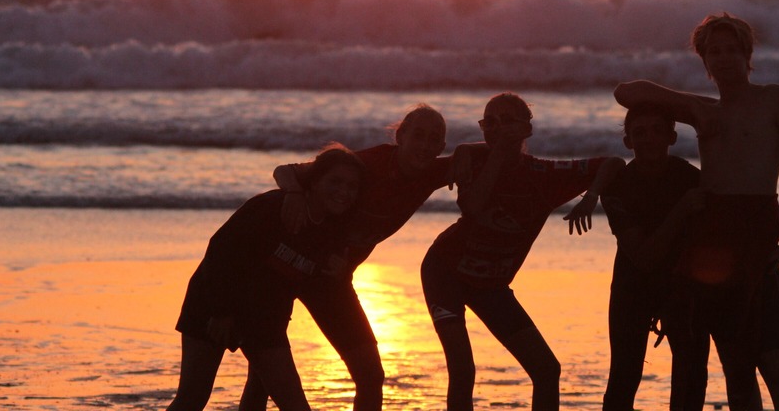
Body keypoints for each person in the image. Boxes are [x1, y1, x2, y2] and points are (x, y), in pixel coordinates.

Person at [614, 12, 779, 411]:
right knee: (732, 364)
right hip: (711, 239)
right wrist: (692, 107)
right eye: (714, 51)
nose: (724, 58)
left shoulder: (773, 99)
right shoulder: (704, 109)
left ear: (748, 54)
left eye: (732, 49)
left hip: (754, 230)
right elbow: (626, 92)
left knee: (774, 362)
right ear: (704, 60)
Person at [420, 92, 625, 411]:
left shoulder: (545, 175)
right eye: (489, 122)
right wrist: (488, 152)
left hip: (490, 285)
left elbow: (613, 163)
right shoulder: (473, 162)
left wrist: (590, 196)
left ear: (527, 129)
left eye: (506, 121)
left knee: (547, 370)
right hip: (444, 271)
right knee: (463, 370)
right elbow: (473, 207)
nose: (496, 128)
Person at [240, 104, 451, 411]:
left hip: (331, 280)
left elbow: (485, 153)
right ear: (400, 136)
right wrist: (295, 195)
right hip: (286, 266)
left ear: (441, 148)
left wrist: (477, 153)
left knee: (370, 374)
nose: (425, 145)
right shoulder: (367, 163)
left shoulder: (432, 172)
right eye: (418, 135)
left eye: (434, 139)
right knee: (262, 378)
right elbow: (285, 171)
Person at [168, 144, 366, 411]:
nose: (344, 191)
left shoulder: (334, 233)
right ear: (315, 181)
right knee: (192, 398)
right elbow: (221, 253)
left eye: (352, 186)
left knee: (296, 406)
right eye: (335, 181)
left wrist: (342, 270)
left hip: (263, 322)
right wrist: (222, 312)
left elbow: (309, 287)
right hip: (213, 307)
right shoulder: (273, 207)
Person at [600, 103, 706, 411]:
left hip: (682, 284)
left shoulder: (692, 178)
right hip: (632, 285)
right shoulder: (616, 186)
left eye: (658, 131)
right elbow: (643, 258)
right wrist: (682, 209)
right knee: (623, 377)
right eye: (640, 133)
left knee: (691, 376)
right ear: (628, 142)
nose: (649, 139)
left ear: (672, 137)